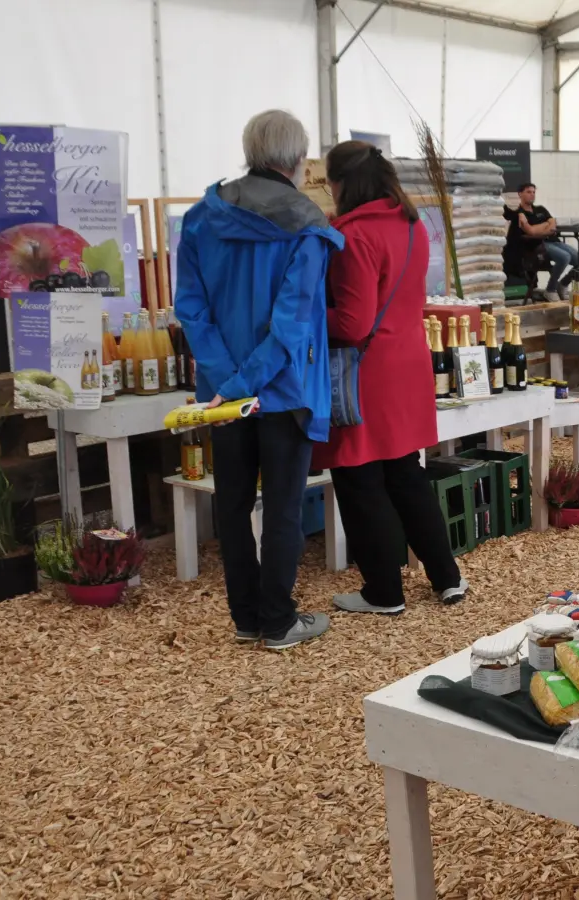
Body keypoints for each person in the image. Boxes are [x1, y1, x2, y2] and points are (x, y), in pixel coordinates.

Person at [173, 110, 343, 650]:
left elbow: (191, 308)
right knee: (285, 507)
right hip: (285, 389)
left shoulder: (202, 216)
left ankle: (245, 617)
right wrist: (250, 380)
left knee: (232, 503)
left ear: (249, 150)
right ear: (297, 159)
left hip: (222, 396)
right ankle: (279, 620)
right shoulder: (308, 224)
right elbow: (293, 323)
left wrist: (227, 379)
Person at [315, 141, 468, 616]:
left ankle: (383, 591)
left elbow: (354, 324)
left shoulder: (352, 235)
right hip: (409, 362)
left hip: (366, 372)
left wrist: (302, 319)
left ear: (342, 184)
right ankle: (447, 576)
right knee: (406, 474)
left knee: (359, 478)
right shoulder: (412, 224)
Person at [504, 183, 575, 302]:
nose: (532, 195)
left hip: (553, 241)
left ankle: (562, 284)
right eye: (528, 192)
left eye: (533, 192)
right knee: (565, 257)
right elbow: (531, 232)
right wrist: (545, 227)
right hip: (538, 247)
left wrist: (542, 229)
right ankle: (550, 290)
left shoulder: (541, 209)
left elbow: (553, 223)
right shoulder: (519, 214)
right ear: (520, 194)